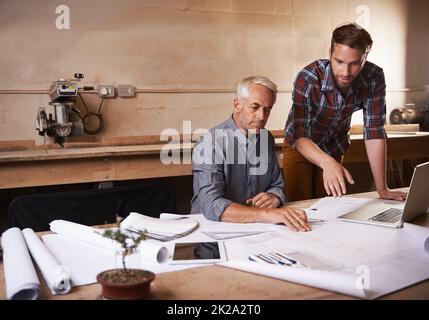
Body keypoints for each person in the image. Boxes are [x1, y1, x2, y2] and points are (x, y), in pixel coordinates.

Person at [283, 23, 407, 202]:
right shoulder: (308, 78)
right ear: (330, 54)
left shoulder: (374, 77)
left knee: (327, 206)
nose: (346, 72)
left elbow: (374, 132)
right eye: (339, 61)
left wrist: (383, 189)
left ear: (365, 57)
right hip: (301, 145)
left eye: (355, 63)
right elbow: (300, 135)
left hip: (334, 145)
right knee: (299, 204)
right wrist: (326, 162)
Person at [191, 76, 310, 232]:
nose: (262, 116)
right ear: (237, 105)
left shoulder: (266, 138)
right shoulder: (210, 144)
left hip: (256, 230)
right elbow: (212, 205)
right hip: (211, 231)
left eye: (267, 109)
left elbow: (277, 186)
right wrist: (268, 214)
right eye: (255, 107)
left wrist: (273, 198)